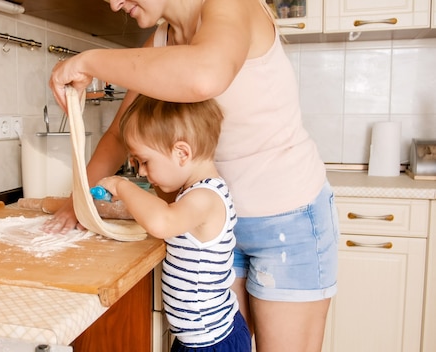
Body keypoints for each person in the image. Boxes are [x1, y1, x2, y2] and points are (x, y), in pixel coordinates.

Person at [45, 0, 339, 351]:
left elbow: (205, 76)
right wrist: (78, 200)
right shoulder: (161, 41)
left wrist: (87, 60)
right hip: (215, 230)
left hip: (287, 221)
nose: (113, 4)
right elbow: (120, 135)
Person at [98, 94, 250, 351]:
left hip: (213, 343)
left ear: (182, 153)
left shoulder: (205, 197)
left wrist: (122, 186)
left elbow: (161, 221)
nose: (142, 171)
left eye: (144, 161)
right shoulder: (194, 192)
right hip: (197, 338)